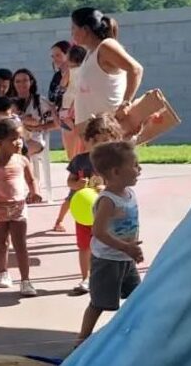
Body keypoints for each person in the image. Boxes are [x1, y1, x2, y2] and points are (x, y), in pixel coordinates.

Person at [78, 140, 143, 345]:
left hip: (126, 258)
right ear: (115, 172)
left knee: (137, 297)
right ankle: (82, 338)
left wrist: (131, 249)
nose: (139, 169)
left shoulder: (129, 193)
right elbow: (98, 232)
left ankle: (135, 331)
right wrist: (126, 247)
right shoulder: (108, 200)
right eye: (134, 165)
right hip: (107, 261)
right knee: (99, 302)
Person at [52, 114, 124, 293]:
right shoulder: (80, 160)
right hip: (84, 214)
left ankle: (111, 278)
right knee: (84, 246)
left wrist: (106, 187)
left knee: (109, 246)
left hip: (107, 214)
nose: (100, 145)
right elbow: (70, 181)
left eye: (106, 140)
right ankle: (86, 278)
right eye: (96, 140)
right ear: (88, 140)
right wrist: (77, 184)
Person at [0, 118, 43, 296]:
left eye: (20, 138)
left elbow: (32, 180)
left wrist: (35, 191)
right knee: (2, 243)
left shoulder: (22, 160)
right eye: (13, 139)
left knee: (20, 244)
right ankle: (3, 272)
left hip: (18, 207)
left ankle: (26, 281)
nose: (19, 142)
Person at [71, 7, 144, 143]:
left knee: (112, 164)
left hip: (108, 132)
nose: (72, 33)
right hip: (94, 134)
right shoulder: (89, 52)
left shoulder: (106, 46)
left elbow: (136, 69)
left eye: (73, 28)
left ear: (85, 29)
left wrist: (126, 103)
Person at [12, 68, 57, 156]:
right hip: (10, 139)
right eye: (17, 81)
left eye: (25, 80)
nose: (21, 84)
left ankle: (25, 169)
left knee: (17, 152)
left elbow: (56, 124)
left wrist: (40, 127)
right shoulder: (8, 102)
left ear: (31, 82)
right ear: (13, 84)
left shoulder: (40, 101)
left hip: (34, 140)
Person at [49, 41, 79, 159]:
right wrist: (55, 115)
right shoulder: (56, 77)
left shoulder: (79, 73)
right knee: (72, 156)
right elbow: (53, 99)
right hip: (64, 118)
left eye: (58, 55)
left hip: (79, 116)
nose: (55, 59)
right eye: (53, 56)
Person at [59, 45, 89, 159]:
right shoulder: (86, 70)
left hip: (67, 106)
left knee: (69, 139)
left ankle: (73, 161)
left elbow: (62, 84)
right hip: (82, 107)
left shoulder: (69, 71)